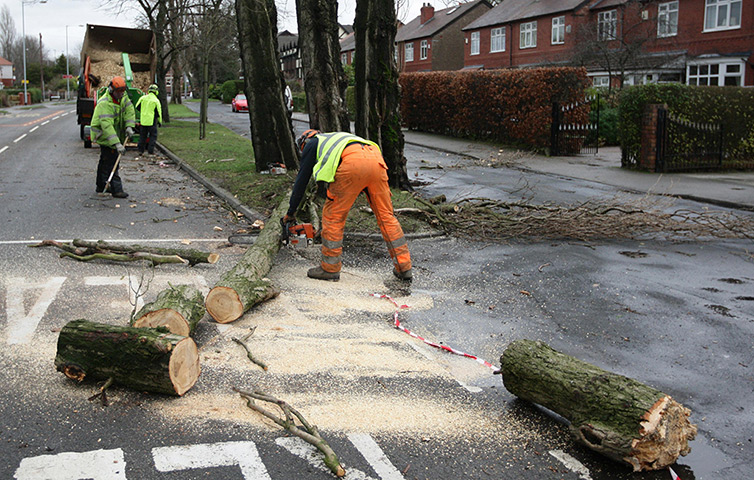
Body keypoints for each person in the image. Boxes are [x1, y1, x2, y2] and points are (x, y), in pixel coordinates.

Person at [283, 129, 412, 282]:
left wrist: (291, 212)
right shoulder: (336, 138)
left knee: (333, 216)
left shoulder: (312, 144)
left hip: (353, 164)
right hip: (376, 159)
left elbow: (301, 182)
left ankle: (329, 269)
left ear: (304, 141)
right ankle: (404, 268)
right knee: (386, 217)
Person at [90, 76, 136, 198]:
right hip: (104, 135)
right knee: (112, 161)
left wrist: (129, 126)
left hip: (114, 133)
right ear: (112, 90)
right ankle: (117, 189)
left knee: (105, 161)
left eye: (122, 91)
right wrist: (117, 144)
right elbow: (107, 126)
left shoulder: (123, 98)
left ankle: (100, 185)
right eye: (119, 91)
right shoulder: (105, 103)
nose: (121, 94)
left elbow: (130, 111)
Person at [135, 84, 162, 156]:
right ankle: (150, 150)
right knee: (153, 136)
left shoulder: (143, 98)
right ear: (156, 92)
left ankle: (140, 150)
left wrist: (143, 112)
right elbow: (158, 112)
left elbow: (137, 106)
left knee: (142, 136)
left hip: (143, 120)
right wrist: (160, 121)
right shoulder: (156, 100)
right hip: (152, 121)